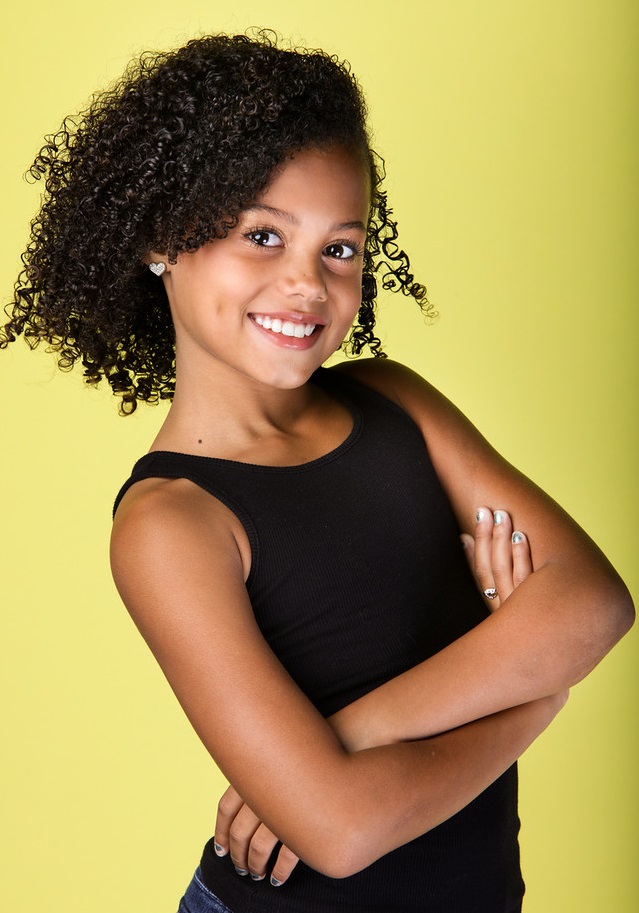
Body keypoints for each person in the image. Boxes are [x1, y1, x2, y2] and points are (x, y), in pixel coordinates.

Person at [1, 31, 633, 913]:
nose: (307, 285)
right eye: (263, 235)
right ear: (162, 240)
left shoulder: (393, 400)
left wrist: (352, 733)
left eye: (339, 248)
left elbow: (595, 605)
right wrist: (535, 690)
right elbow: (339, 828)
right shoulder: (171, 522)